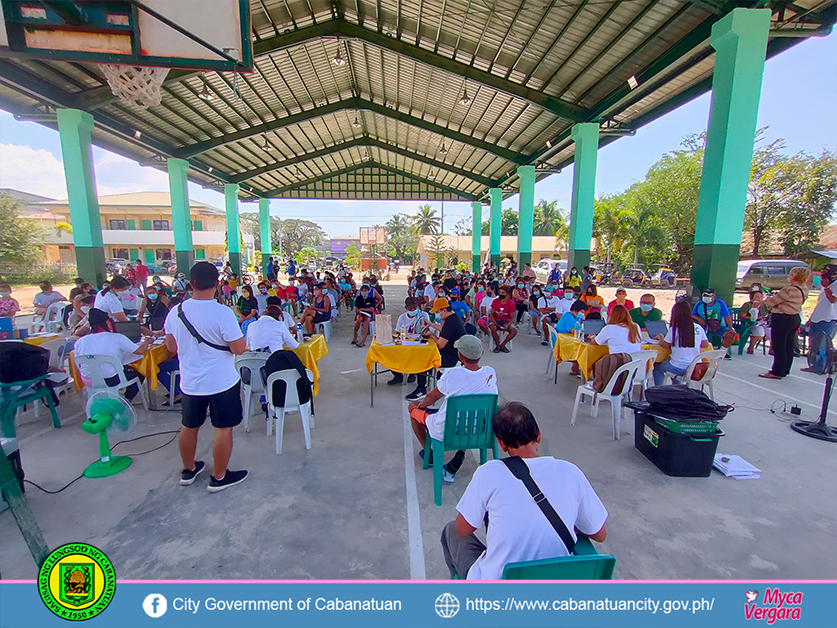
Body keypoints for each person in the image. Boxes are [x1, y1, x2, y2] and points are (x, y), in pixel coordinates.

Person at [440, 402, 607, 580]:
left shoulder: (488, 473)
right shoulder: (571, 472)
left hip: (499, 592)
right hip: (550, 587)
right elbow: (599, 534)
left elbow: (463, 529)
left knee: (450, 530)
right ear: (539, 434)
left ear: (501, 444)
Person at [164, 261, 248, 493]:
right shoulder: (222, 313)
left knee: (189, 426)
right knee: (222, 429)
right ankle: (219, 477)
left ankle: (189, 470)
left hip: (190, 383)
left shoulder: (177, 312)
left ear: (191, 283)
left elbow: (171, 345)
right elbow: (238, 348)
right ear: (218, 284)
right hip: (221, 382)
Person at [408, 335, 498, 483]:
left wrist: (420, 405)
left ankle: (430, 455)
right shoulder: (490, 373)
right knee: (469, 414)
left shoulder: (452, 374)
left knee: (412, 409)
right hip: (479, 430)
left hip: (449, 430)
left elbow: (432, 397)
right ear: (481, 354)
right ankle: (460, 454)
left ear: (460, 356)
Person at [75, 308, 153, 400]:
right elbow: (140, 351)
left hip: (89, 380)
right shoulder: (117, 338)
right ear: (108, 323)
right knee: (139, 371)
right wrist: (147, 341)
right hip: (111, 380)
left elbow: (79, 363)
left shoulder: (80, 341)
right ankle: (126, 399)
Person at [406, 297, 466, 401]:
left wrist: (432, 335)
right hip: (453, 354)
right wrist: (430, 324)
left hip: (452, 358)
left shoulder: (451, 323)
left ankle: (422, 389)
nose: (437, 315)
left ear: (443, 310)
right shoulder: (453, 318)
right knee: (425, 355)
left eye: (437, 312)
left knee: (422, 360)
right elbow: (443, 329)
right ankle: (437, 376)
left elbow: (440, 345)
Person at [760, 266, 811, 379]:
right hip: (794, 317)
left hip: (782, 318)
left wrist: (765, 301)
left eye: (792, 274)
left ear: (795, 276)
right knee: (788, 345)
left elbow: (772, 302)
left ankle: (777, 371)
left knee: (779, 345)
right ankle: (785, 369)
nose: (789, 276)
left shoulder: (788, 289)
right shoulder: (804, 289)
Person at [653, 301, 713, 385]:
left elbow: (664, 345)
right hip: (696, 367)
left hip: (679, 367)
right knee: (671, 364)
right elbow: (705, 344)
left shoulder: (675, 329)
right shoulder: (698, 328)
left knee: (657, 367)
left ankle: (658, 389)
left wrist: (661, 338)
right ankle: (678, 386)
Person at [802, 265, 837, 374]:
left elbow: (833, 300)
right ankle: (813, 365)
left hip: (828, 320)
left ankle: (822, 367)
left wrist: (827, 287)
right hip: (817, 319)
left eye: (825, 273)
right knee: (813, 345)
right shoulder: (824, 286)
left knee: (822, 346)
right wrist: (811, 318)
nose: (822, 276)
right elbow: (820, 303)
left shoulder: (834, 285)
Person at [387, 297, 429, 386]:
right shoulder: (402, 317)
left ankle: (412, 373)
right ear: (406, 308)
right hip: (405, 343)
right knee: (389, 354)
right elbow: (398, 332)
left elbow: (426, 330)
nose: (413, 310)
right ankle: (398, 375)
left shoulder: (423, 315)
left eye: (415, 307)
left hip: (417, 343)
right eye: (411, 308)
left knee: (417, 355)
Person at [486, 285, 518, 353]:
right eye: (500, 292)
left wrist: (507, 325)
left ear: (507, 294)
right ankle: (497, 345)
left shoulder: (511, 303)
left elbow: (512, 318)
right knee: (493, 328)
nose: (501, 294)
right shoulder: (495, 301)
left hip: (506, 322)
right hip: (496, 320)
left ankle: (503, 345)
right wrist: (496, 323)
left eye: (503, 293)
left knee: (514, 331)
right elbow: (491, 314)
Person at [739, 289, 769, 355]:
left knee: (773, 331)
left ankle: (772, 350)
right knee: (759, 331)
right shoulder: (747, 305)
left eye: (761, 297)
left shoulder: (763, 306)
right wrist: (755, 318)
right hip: (750, 324)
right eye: (757, 297)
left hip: (763, 323)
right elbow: (742, 316)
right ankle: (751, 347)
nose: (760, 298)